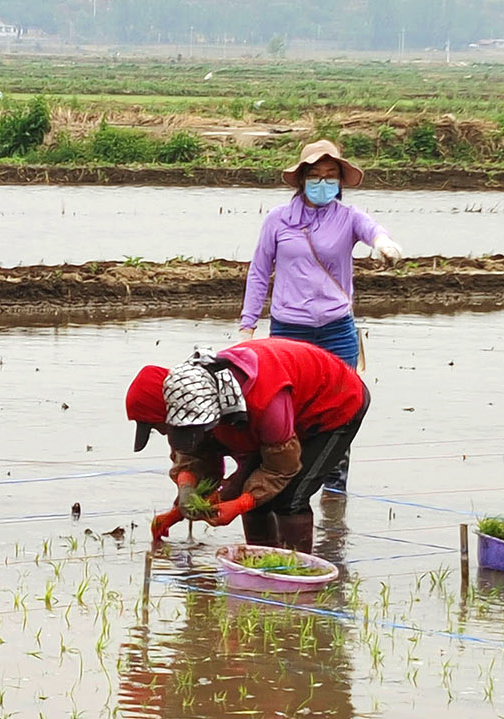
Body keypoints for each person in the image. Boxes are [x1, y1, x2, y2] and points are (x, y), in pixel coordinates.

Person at [238, 140, 402, 495]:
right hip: (288, 332)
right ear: (302, 179)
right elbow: (259, 272)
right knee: (288, 411)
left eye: (331, 175)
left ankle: (334, 493)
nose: (323, 182)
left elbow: (373, 230)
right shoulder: (278, 220)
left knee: (341, 410)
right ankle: (288, 484)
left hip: (336, 330)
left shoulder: (348, 218)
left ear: (340, 182)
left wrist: (384, 245)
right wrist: (247, 325)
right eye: (315, 175)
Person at [126, 338, 370, 551]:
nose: (161, 432)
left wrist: (240, 503)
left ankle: (297, 576)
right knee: (253, 493)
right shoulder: (194, 400)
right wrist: (184, 500)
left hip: (335, 402)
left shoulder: (263, 402)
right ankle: (261, 569)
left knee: (290, 498)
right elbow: (197, 454)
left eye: (157, 425)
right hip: (288, 410)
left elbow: (282, 467)